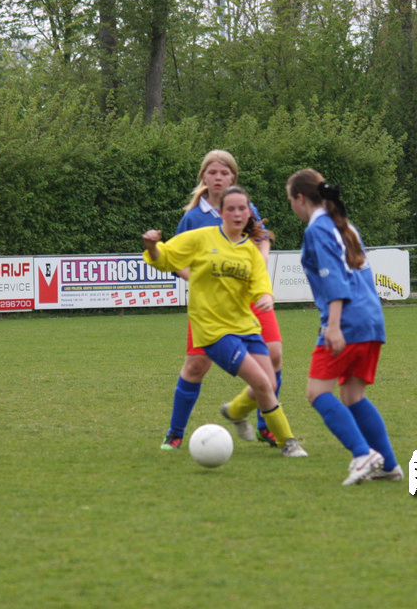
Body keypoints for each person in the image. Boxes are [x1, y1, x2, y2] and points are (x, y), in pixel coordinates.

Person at [142, 185, 307, 457]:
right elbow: (166, 258)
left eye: (242, 208)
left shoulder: (250, 250)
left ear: (249, 213)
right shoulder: (201, 238)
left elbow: (260, 284)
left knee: (268, 381)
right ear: (221, 213)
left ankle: (235, 412)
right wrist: (152, 247)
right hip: (213, 330)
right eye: (231, 209)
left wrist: (266, 297)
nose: (237, 214)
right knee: (261, 382)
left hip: (246, 326)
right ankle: (288, 443)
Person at [159, 150, 284, 450]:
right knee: (196, 365)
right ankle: (175, 433)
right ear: (203, 176)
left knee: (274, 355)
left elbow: (262, 237)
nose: (218, 178)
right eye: (212, 172)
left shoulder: (243, 206)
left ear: (233, 177)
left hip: (248, 298)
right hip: (210, 306)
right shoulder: (193, 217)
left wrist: (260, 261)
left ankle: (264, 426)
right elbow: (174, 259)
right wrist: (198, 277)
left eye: (224, 173)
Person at [285, 168, 403, 485]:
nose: (292, 207)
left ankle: (363, 455)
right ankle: (389, 465)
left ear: (300, 198)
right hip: (371, 319)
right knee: (352, 395)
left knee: (316, 392)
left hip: (347, 321)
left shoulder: (317, 230)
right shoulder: (343, 225)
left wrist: (334, 326)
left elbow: (334, 280)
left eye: (290, 201)